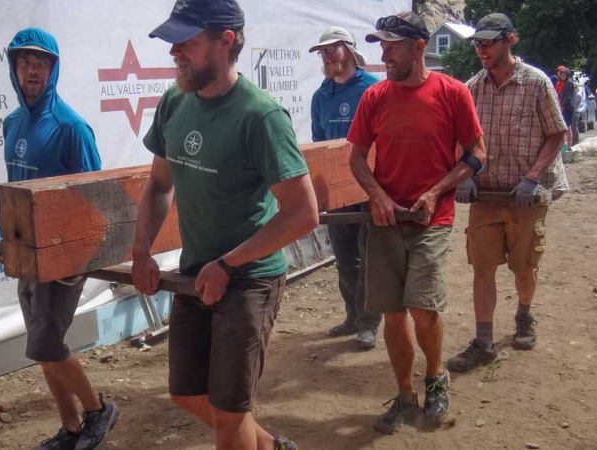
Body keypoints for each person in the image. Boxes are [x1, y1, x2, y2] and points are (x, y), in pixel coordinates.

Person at [131, 1, 318, 449]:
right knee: (186, 394)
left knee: (230, 412)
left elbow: (303, 213)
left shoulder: (261, 116)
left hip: (248, 277)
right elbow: (159, 185)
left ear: (225, 40)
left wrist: (229, 263)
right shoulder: (175, 101)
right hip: (197, 272)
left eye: (187, 41)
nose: (175, 50)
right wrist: (141, 250)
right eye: (173, 40)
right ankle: (272, 446)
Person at [348, 11, 486, 435]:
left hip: (433, 218)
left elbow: (476, 154)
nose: (384, 54)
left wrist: (435, 191)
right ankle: (405, 395)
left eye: (391, 46)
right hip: (387, 220)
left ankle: (436, 376)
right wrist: (378, 196)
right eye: (381, 46)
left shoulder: (452, 92)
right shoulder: (374, 98)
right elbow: (356, 158)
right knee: (392, 314)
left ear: (418, 47)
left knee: (424, 310)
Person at [1, 28, 117, 450]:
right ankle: (70, 430)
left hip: (63, 258)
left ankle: (98, 411)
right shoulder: (12, 124)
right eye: (24, 61)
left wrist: (78, 254)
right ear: (14, 67)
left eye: (41, 62)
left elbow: (96, 199)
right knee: (42, 347)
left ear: (53, 69)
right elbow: (16, 190)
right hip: (27, 256)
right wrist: (9, 239)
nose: (32, 69)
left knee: (45, 344)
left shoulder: (71, 127)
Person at [448, 13, 568, 373]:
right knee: (482, 268)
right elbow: (461, 138)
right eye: (477, 43)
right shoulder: (471, 88)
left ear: (510, 40)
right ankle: (484, 341)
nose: (481, 49)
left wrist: (533, 178)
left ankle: (524, 314)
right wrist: (464, 176)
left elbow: (556, 133)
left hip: (526, 195)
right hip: (487, 195)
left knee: (523, 266)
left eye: (488, 42)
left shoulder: (536, 83)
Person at [308, 26, 382, 350]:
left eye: (331, 49)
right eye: (322, 52)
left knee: (369, 257)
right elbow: (320, 146)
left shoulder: (373, 90)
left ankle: (368, 324)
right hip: (337, 193)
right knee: (345, 258)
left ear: (349, 50)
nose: (326, 56)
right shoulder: (320, 97)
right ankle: (352, 316)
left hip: (369, 189)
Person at [557, 66, 576, 149]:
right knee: (566, 128)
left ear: (568, 75)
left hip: (567, 108)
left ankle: (566, 148)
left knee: (565, 128)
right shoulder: (564, 83)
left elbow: (567, 96)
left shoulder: (569, 83)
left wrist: (562, 107)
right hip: (565, 107)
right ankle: (567, 148)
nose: (563, 76)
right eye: (562, 75)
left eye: (564, 75)